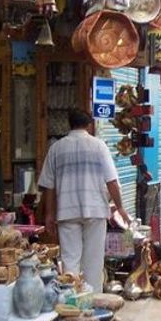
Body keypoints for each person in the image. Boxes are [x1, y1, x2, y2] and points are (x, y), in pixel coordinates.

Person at [38, 109, 130, 292]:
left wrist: (49, 214)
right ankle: (93, 302)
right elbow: (111, 181)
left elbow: (49, 186)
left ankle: (71, 301)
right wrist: (120, 207)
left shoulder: (56, 148)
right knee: (93, 262)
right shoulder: (99, 146)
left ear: (69, 124)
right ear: (89, 125)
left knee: (70, 261)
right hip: (95, 210)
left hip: (67, 211)